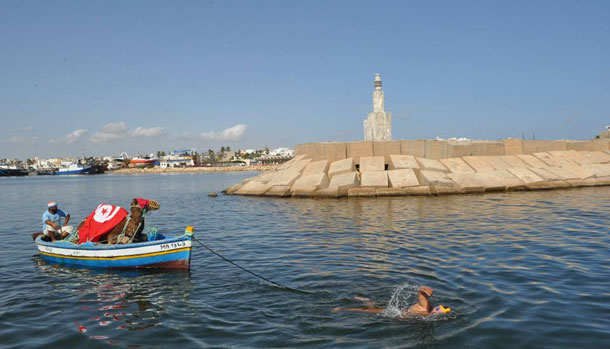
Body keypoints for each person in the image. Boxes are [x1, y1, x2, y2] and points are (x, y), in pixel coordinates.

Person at [333, 286, 450, 317]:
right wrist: (426, 290)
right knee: (367, 311)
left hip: (395, 313)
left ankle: (367, 301)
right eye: (438, 310)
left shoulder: (426, 313)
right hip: (393, 313)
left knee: (371, 309)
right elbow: (421, 291)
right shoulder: (424, 309)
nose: (437, 311)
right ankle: (343, 309)